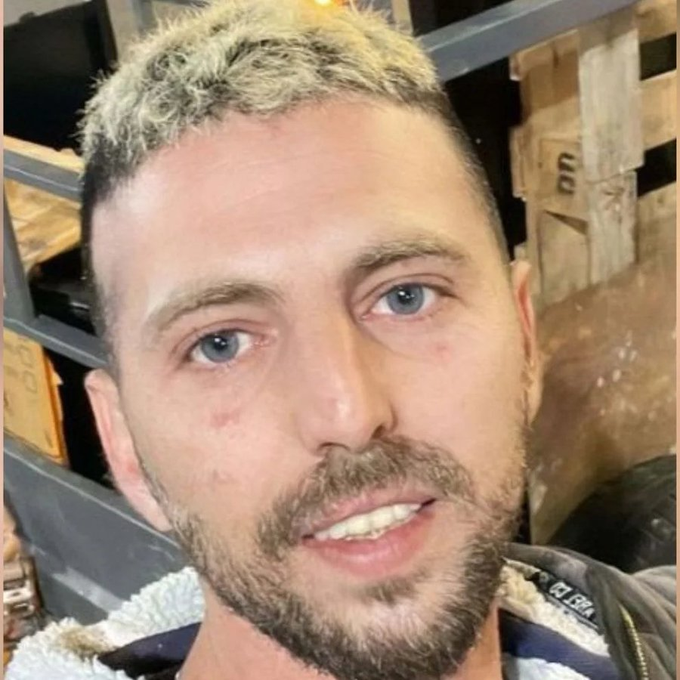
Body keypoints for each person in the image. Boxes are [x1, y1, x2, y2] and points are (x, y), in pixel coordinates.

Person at [7, 1, 675, 679]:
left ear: (526, 341)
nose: (349, 415)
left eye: (405, 297)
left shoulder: (639, 630)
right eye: (220, 343)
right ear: (124, 444)